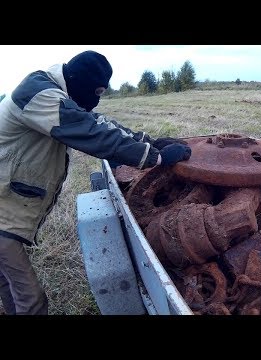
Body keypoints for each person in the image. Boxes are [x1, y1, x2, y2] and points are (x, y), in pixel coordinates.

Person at [0, 50, 192, 315]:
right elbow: (90, 131)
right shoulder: (40, 94)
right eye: (97, 92)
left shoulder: (53, 88)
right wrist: (154, 157)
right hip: (1, 214)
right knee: (31, 301)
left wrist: (149, 141)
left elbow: (97, 122)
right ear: (80, 82)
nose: (96, 101)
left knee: (8, 282)